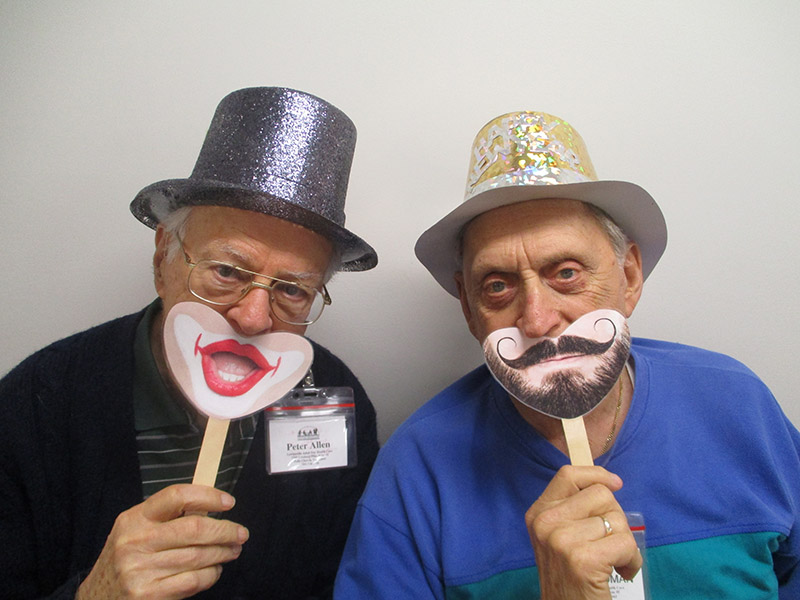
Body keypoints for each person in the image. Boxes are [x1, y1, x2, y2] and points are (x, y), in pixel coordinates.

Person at [334, 111, 800, 598]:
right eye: (497, 286)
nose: (536, 320)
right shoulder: (417, 467)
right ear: (470, 311)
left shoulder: (738, 403)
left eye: (567, 273)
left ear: (630, 277)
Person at [1, 87, 379, 600]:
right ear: (163, 258)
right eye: (226, 270)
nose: (252, 317)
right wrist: (93, 594)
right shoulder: (34, 404)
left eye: (292, 289)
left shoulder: (337, 399)